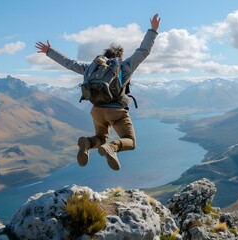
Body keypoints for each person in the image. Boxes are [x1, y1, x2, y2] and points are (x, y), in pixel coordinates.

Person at [35, 14, 160, 171]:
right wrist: (153, 30)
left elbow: (69, 64)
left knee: (100, 138)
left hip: (96, 111)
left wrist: (49, 51)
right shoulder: (124, 67)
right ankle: (112, 148)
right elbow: (143, 51)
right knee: (130, 141)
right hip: (117, 111)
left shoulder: (91, 68)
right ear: (119, 57)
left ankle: (87, 143)